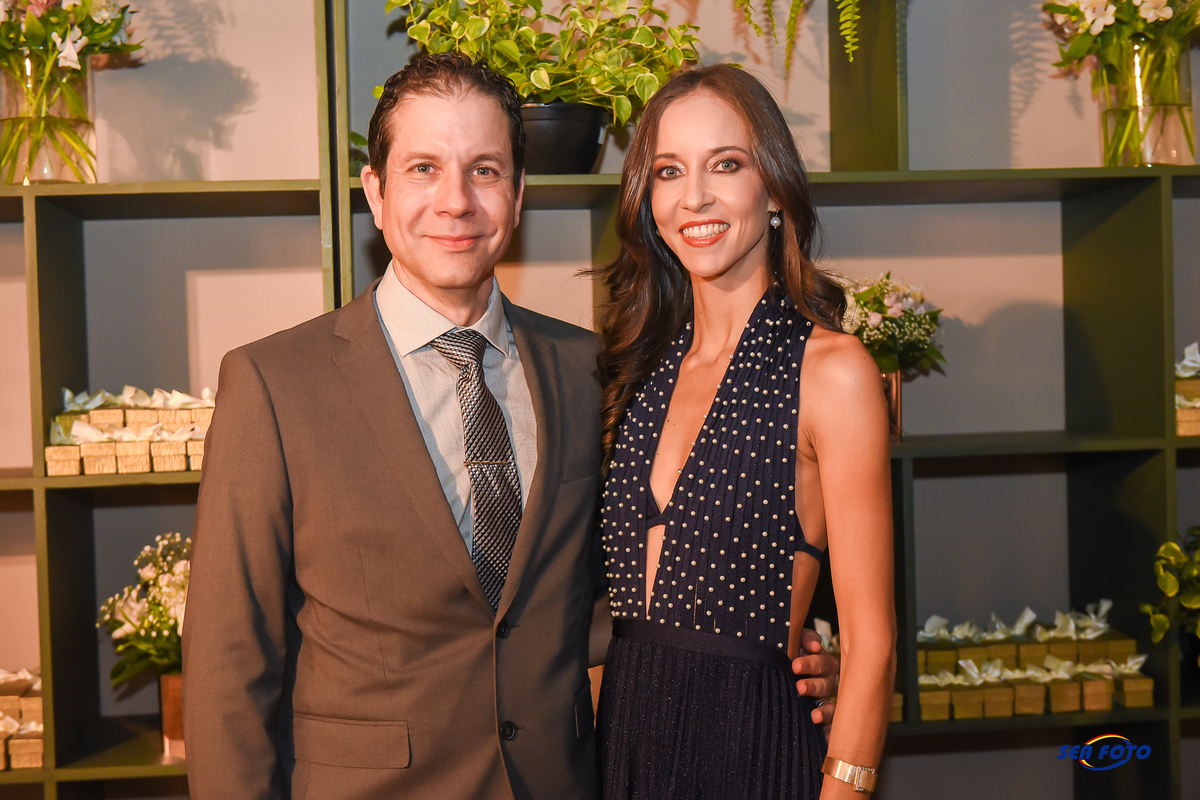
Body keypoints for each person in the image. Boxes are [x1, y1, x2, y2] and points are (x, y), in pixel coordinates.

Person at [183, 53, 838, 800]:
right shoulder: (273, 384)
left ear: (519, 195)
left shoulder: (590, 370)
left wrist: (779, 652)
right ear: (375, 192)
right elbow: (229, 663)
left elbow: (630, 587)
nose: (456, 201)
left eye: (485, 170)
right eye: (424, 168)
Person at [594, 64, 896, 799]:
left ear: (774, 188)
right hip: (620, 754)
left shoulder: (832, 371)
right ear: (648, 201)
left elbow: (872, 642)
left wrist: (848, 789)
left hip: (753, 753)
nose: (694, 196)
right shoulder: (634, 373)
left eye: (725, 164)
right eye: (669, 171)